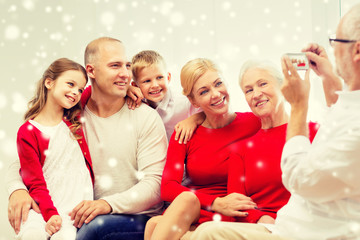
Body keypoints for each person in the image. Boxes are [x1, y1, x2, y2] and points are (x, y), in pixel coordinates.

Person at [189, 3, 360, 240]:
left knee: (206, 234)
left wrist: (300, 105)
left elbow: (299, 178)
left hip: (306, 233)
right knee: (203, 231)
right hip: (284, 227)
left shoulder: (316, 128)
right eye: (248, 90)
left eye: (336, 42)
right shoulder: (349, 110)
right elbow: (338, 115)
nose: (256, 94)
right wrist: (329, 76)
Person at [7, 37, 168, 240]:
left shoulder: (145, 117)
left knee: (92, 229)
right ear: (91, 71)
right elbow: (25, 158)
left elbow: (155, 185)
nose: (126, 73)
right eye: (115, 65)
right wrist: (17, 190)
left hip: (136, 217)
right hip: (81, 213)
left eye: (127, 65)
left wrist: (106, 204)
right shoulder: (72, 113)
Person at [145, 58, 261, 240]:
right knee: (167, 213)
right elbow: (167, 187)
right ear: (193, 100)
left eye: (218, 84)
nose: (215, 94)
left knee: (154, 225)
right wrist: (216, 203)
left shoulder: (254, 122)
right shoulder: (184, 133)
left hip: (236, 209)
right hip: (200, 209)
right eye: (204, 91)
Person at [227, 60, 318, 224]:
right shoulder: (240, 150)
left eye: (262, 84)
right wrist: (262, 219)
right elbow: (236, 206)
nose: (256, 94)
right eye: (248, 90)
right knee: (209, 231)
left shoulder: (314, 132)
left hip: (306, 225)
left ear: (283, 87)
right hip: (263, 228)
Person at [15, 58, 94, 240]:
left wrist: (129, 87)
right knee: (31, 235)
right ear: (49, 82)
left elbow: (103, 90)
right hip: (44, 207)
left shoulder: (74, 120)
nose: (75, 92)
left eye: (80, 89)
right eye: (70, 84)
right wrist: (50, 214)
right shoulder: (28, 132)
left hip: (73, 211)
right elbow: (34, 181)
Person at [130, 50, 205, 143]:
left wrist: (194, 120)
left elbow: (208, 112)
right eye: (147, 81)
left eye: (160, 77)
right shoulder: (135, 103)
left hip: (183, 152)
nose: (155, 85)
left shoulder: (183, 100)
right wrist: (127, 90)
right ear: (135, 86)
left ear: (168, 78)